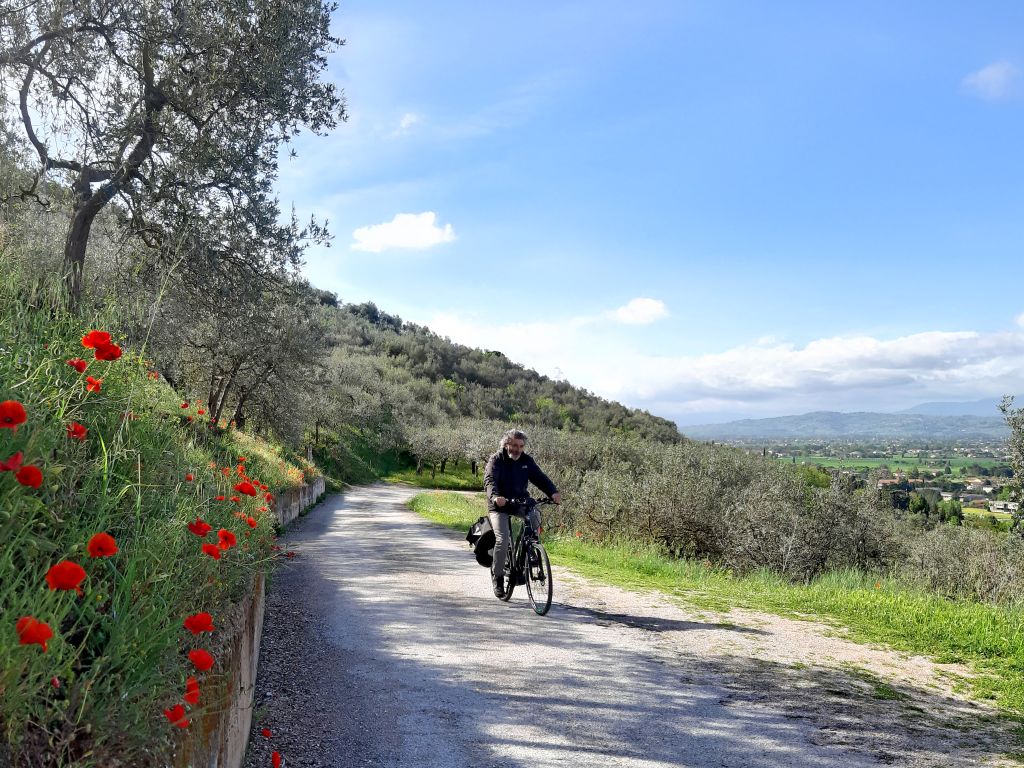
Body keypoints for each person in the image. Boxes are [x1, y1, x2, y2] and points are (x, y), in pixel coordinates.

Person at [484, 429, 561, 598]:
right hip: (500, 506)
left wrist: (553, 492)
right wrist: (496, 497)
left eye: (521, 446)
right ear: (506, 445)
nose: (517, 449)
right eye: (514, 445)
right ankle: (497, 576)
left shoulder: (526, 461)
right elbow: (490, 481)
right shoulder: (496, 460)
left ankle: (531, 551)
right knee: (503, 539)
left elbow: (540, 478)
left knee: (535, 518)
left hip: (520, 502)